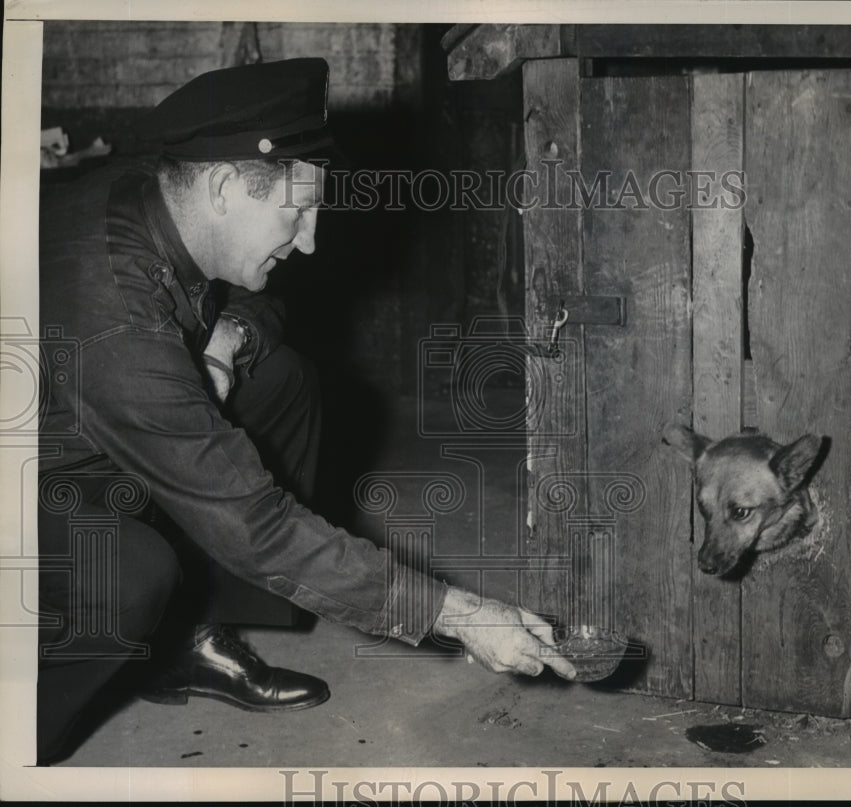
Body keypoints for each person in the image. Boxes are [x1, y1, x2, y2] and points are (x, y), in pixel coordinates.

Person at [36, 57, 574, 765]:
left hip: (83, 433)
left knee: (280, 378)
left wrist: (226, 341)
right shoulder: (114, 319)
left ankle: (191, 640)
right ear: (226, 188)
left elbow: (261, 297)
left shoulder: (161, 191)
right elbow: (258, 525)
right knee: (131, 575)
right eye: (297, 212)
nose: (310, 238)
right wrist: (461, 614)